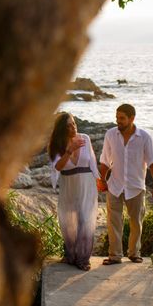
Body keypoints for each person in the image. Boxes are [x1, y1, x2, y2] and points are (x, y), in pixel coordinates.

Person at [97, 104, 153, 265]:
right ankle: (115, 255)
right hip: (115, 185)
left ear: (132, 118)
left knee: (136, 222)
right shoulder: (111, 134)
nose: (118, 121)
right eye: (117, 117)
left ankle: (134, 253)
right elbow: (105, 160)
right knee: (113, 222)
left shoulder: (145, 137)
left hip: (136, 186)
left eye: (122, 118)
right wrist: (102, 180)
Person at [48, 113, 100, 271]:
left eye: (74, 123)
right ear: (61, 129)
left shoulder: (85, 138)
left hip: (86, 183)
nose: (73, 127)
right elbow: (58, 167)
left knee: (86, 219)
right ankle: (71, 255)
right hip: (69, 185)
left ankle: (83, 259)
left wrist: (99, 180)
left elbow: (92, 161)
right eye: (69, 125)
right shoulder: (57, 145)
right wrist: (69, 151)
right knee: (69, 220)